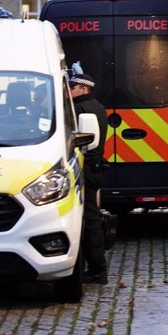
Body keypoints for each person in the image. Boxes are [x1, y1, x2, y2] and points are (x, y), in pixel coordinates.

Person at [69, 73, 108, 284]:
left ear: (83, 89)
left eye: (72, 87)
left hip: (85, 169)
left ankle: (97, 270)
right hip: (94, 167)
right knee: (89, 218)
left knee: (89, 220)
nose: (69, 90)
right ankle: (93, 267)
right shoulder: (99, 107)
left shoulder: (79, 109)